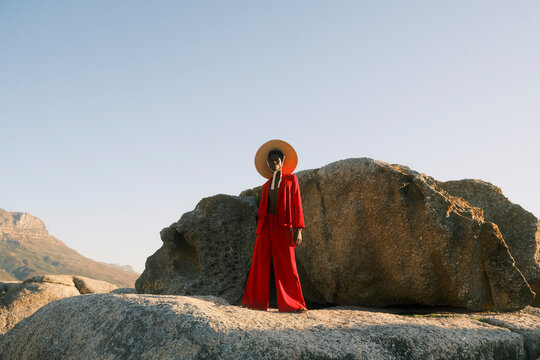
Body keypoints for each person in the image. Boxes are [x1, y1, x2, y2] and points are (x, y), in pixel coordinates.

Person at [241, 139, 307, 313]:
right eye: (271, 160)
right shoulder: (265, 186)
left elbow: (297, 204)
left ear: (282, 161)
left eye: (277, 159)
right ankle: (254, 302)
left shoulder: (292, 180)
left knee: (287, 264)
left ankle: (294, 304)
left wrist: (298, 230)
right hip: (265, 226)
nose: (274, 162)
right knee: (259, 263)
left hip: (283, 225)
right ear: (268, 164)